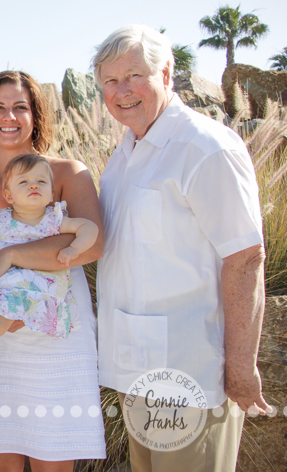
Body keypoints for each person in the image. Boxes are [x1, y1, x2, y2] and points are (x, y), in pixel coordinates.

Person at [92, 24, 268, 472]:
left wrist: (242, 369)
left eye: (134, 75)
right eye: (110, 81)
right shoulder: (124, 155)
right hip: (139, 373)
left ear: (166, 72)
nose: (122, 91)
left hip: (193, 372)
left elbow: (245, 258)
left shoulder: (203, 147)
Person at [0, 71, 106, 471]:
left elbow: (95, 244)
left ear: (36, 116)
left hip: (54, 333)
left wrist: (11, 255)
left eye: (20, 107)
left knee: (51, 457)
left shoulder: (67, 174)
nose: (9, 116)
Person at [0, 154, 98, 358]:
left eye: (41, 182)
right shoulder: (1, 219)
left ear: (51, 193)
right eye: (24, 182)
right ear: (9, 196)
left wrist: (75, 248)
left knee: (8, 307)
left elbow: (89, 227)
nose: (33, 186)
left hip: (29, 284)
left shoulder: (53, 219)